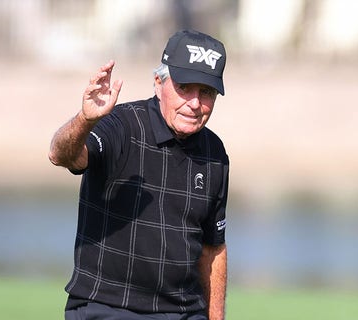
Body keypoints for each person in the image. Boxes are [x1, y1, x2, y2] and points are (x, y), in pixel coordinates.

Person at [48, 30, 229, 320]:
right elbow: (62, 155)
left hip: (183, 312)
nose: (195, 103)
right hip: (108, 308)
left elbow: (213, 248)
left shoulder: (215, 153)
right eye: (185, 87)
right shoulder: (121, 126)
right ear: (159, 83)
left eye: (206, 92)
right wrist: (86, 121)